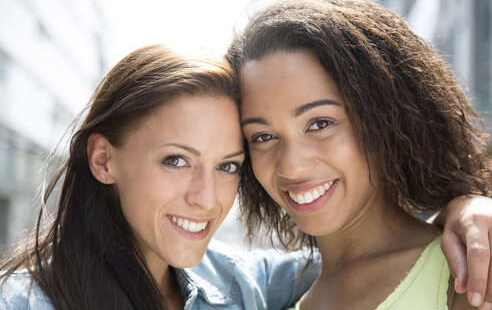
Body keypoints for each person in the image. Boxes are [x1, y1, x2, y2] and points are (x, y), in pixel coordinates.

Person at [0, 44, 318, 310]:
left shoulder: (234, 280)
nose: (207, 199)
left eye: (227, 166)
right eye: (176, 160)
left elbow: (351, 259)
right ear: (103, 160)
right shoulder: (23, 302)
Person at [227, 0, 492, 310]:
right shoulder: (282, 300)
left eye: (320, 123)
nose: (292, 166)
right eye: (264, 136)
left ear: (384, 118)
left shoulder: (468, 277)